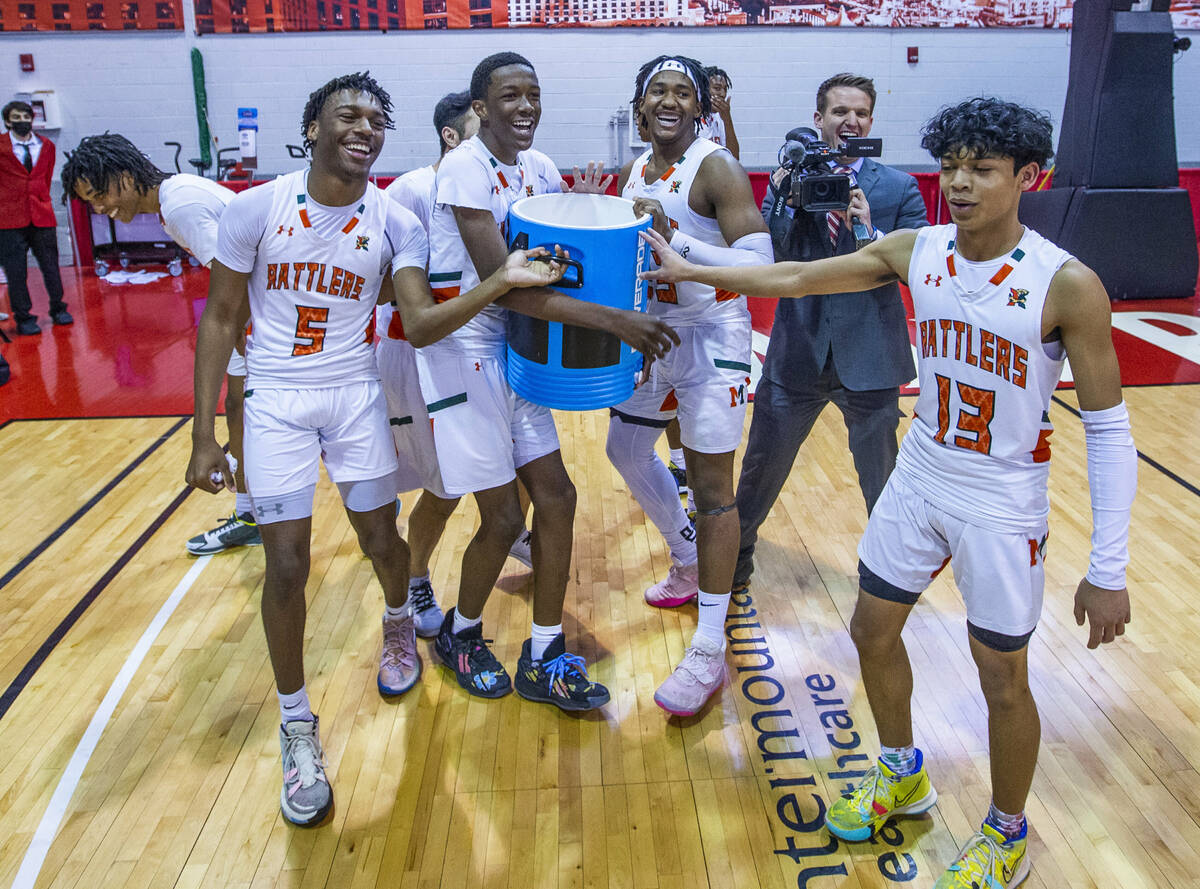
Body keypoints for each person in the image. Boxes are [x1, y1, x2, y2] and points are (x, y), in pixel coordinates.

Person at [639, 96, 1137, 889]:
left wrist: (1108, 566)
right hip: (923, 472)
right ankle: (903, 771)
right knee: (872, 630)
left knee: (1000, 674)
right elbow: (799, 276)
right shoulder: (917, 247)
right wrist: (695, 268)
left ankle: (1008, 829)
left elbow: (1109, 429)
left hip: (1002, 496)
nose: (962, 183)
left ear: (1029, 177)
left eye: (983, 168)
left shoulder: (1067, 285)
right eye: (953, 166)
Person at [185, 71, 569, 826]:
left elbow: (423, 322)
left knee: (382, 542)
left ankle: (400, 617)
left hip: (355, 395)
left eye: (375, 119)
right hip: (276, 402)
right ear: (313, 127)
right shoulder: (256, 207)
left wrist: (500, 281)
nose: (364, 127)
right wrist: (206, 434)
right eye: (348, 115)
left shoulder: (397, 220)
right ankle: (298, 724)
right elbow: (221, 319)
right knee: (286, 564)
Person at [422, 51, 678, 711]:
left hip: (514, 355)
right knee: (505, 516)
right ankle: (461, 632)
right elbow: (506, 287)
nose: (526, 106)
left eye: (534, 94)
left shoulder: (538, 170)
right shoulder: (462, 169)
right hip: (465, 351)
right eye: (510, 95)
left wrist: (636, 213)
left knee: (557, 498)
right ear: (479, 107)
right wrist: (620, 323)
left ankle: (543, 652)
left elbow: (565, 266)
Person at [605, 55, 772, 717]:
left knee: (711, 490)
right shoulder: (633, 171)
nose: (669, 101)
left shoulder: (715, 165)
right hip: (656, 332)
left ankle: (708, 647)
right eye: (658, 92)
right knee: (623, 449)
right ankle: (684, 556)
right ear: (640, 107)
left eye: (683, 92)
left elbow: (761, 262)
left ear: (699, 109)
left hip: (711, 335)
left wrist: (679, 239)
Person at [733, 73, 927, 592]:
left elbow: (917, 269)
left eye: (860, 113)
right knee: (759, 471)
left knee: (882, 479)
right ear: (819, 120)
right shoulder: (793, 180)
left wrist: (870, 231)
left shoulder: (899, 188)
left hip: (870, 356)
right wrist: (780, 197)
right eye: (840, 112)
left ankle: (889, 578)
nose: (851, 121)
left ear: (871, 122)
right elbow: (771, 255)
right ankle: (733, 563)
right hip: (798, 351)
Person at [61, 133, 259, 557]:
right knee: (238, 408)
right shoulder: (175, 200)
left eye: (99, 195)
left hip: (272, 316)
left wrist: (242, 342)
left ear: (126, 177)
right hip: (260, 313)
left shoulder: (181, 205)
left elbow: (237, 280)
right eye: (90, 203)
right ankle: (250, 516)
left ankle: (369, 500)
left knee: (277, 417)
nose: (99, 209)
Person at [378, 90, 478, 637]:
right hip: (411, 352)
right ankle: (412, 582)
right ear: (450, 135)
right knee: (438, 483)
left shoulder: (493, 182)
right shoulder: (412, 190)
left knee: (486, 466)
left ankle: (505, 534)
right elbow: (386, 288)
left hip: (473, 349)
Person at [0, 101, 70, 336]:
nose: (22, 120)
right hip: (9, 218)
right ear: (8, 121)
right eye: (16, 116)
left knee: (51, 265)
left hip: (41, 215)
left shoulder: (46, 145)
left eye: (26, 116)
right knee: (16, 270)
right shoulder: (1, 146)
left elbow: (45, 175)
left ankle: (58, 308)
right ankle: (23, 316)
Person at [695, 66, 739, 160]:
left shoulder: (719, 118)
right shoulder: (691, 118)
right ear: (703, 90)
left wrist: (727, 119)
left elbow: (734, 158)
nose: (723, 94)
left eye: (725, 89)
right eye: (717, 88)